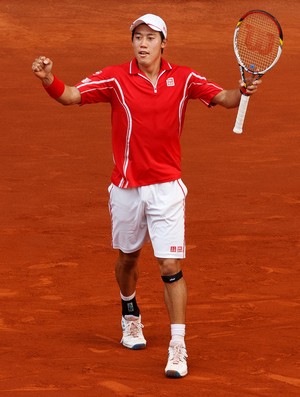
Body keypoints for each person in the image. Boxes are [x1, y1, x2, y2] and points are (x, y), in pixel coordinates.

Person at [32, 13, 260, 378]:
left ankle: (177, 345)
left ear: (163, 43)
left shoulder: (184, 78)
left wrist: (244, 89)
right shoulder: (115, 78)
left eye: (150, 37)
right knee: (128, 258)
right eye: (138, 37)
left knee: (170, 266)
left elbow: (225, 98)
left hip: (167, 188)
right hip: (126, 188)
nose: (143, 43)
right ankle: (129, 312)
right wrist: (48, 80)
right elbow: (71, 96)